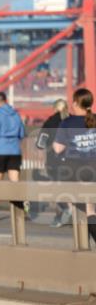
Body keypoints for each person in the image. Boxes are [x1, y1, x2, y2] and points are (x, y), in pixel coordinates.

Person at [53, 87, 96, 245]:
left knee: (79, 209)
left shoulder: (67, 123)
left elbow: (58, 148)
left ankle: (82, 247)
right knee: (90, 209)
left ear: (77, 103)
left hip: (76, 171)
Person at [0, 91, 26, 221]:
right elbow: (22, 133)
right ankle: (19, 209)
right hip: (14, 151)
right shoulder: (16, 114)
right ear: (6, 100)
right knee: (15, 181)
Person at [39, 99, 71, 227]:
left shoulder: (50, 122)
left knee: (57, 188)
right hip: (74, 160)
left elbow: (40, 143)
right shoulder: (73, 121)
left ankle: (62, 215)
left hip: (54, 160)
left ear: (54, 108)